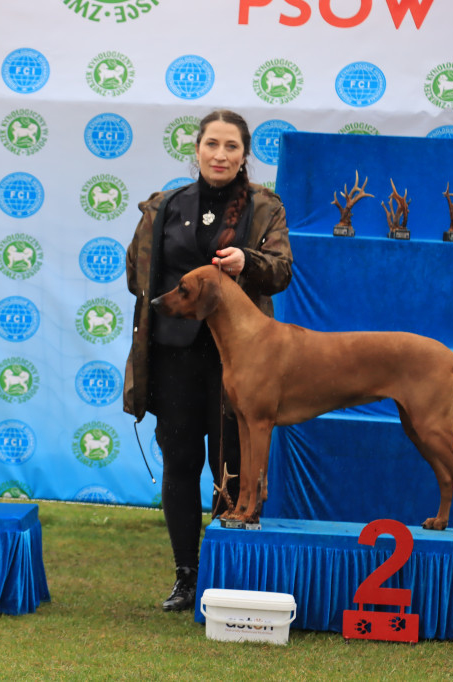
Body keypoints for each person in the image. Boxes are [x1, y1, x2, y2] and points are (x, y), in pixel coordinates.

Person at [123, 110, 293, 611]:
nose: (221, 155)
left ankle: (228, 574)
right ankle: (186, 576)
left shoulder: (266, 207)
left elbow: (282, 272)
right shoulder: (164, 206)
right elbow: (138, 272)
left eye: (232, 147)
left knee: (233, 462)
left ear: (245, 155)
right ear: (196, 149)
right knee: (179, 462)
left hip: (240, 360)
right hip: (174, 358)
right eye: (212, 144)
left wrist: (250, 263)